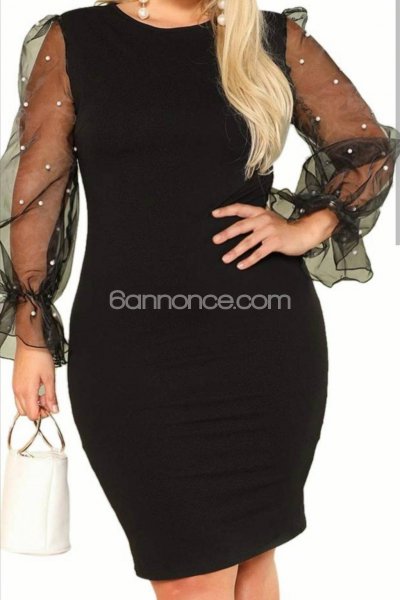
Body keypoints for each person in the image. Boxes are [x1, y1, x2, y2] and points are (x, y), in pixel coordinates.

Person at [0, 1, 399, 599]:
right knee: (191, 574)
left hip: (263, 341)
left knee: (251, 564)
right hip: (132, 350)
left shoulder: (266, 37)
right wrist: (33, 331)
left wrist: (305, 228)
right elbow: (38, 187)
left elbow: (366, 147)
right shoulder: (77, 38)